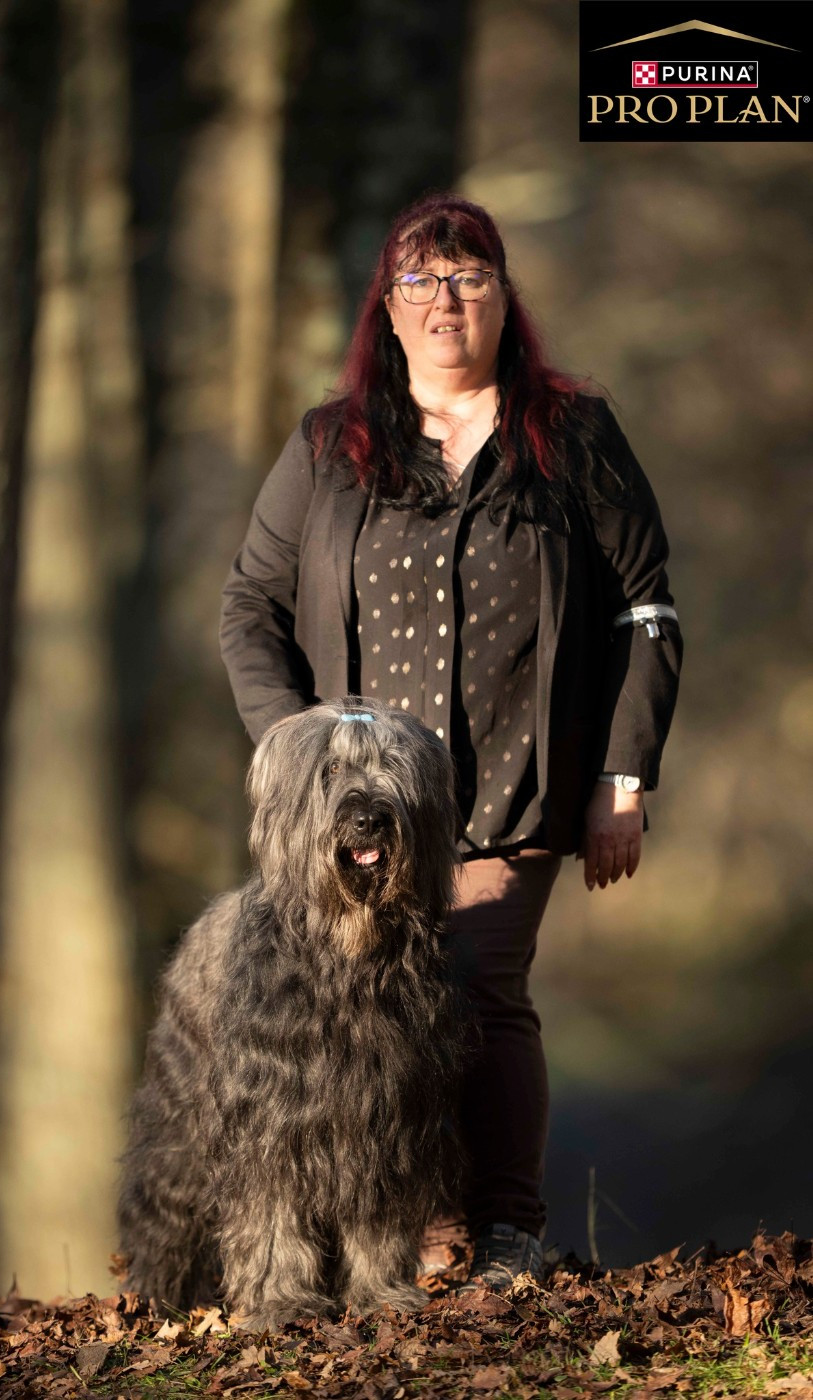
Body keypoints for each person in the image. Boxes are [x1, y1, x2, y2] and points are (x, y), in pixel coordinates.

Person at [219, 192, 682, 1293]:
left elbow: (647, 610)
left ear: (504, 300)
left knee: (474, 985)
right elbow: (250, 608)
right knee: (374, 1012)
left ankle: (507, 1228)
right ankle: (413, 1232)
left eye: (469, 277)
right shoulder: (328, 446)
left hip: (519, 786)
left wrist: (623, 774)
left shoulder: (572, 435)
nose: (445, 300)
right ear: (385, 307)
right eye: (420, 280)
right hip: (363, 809)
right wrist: (298, 761)